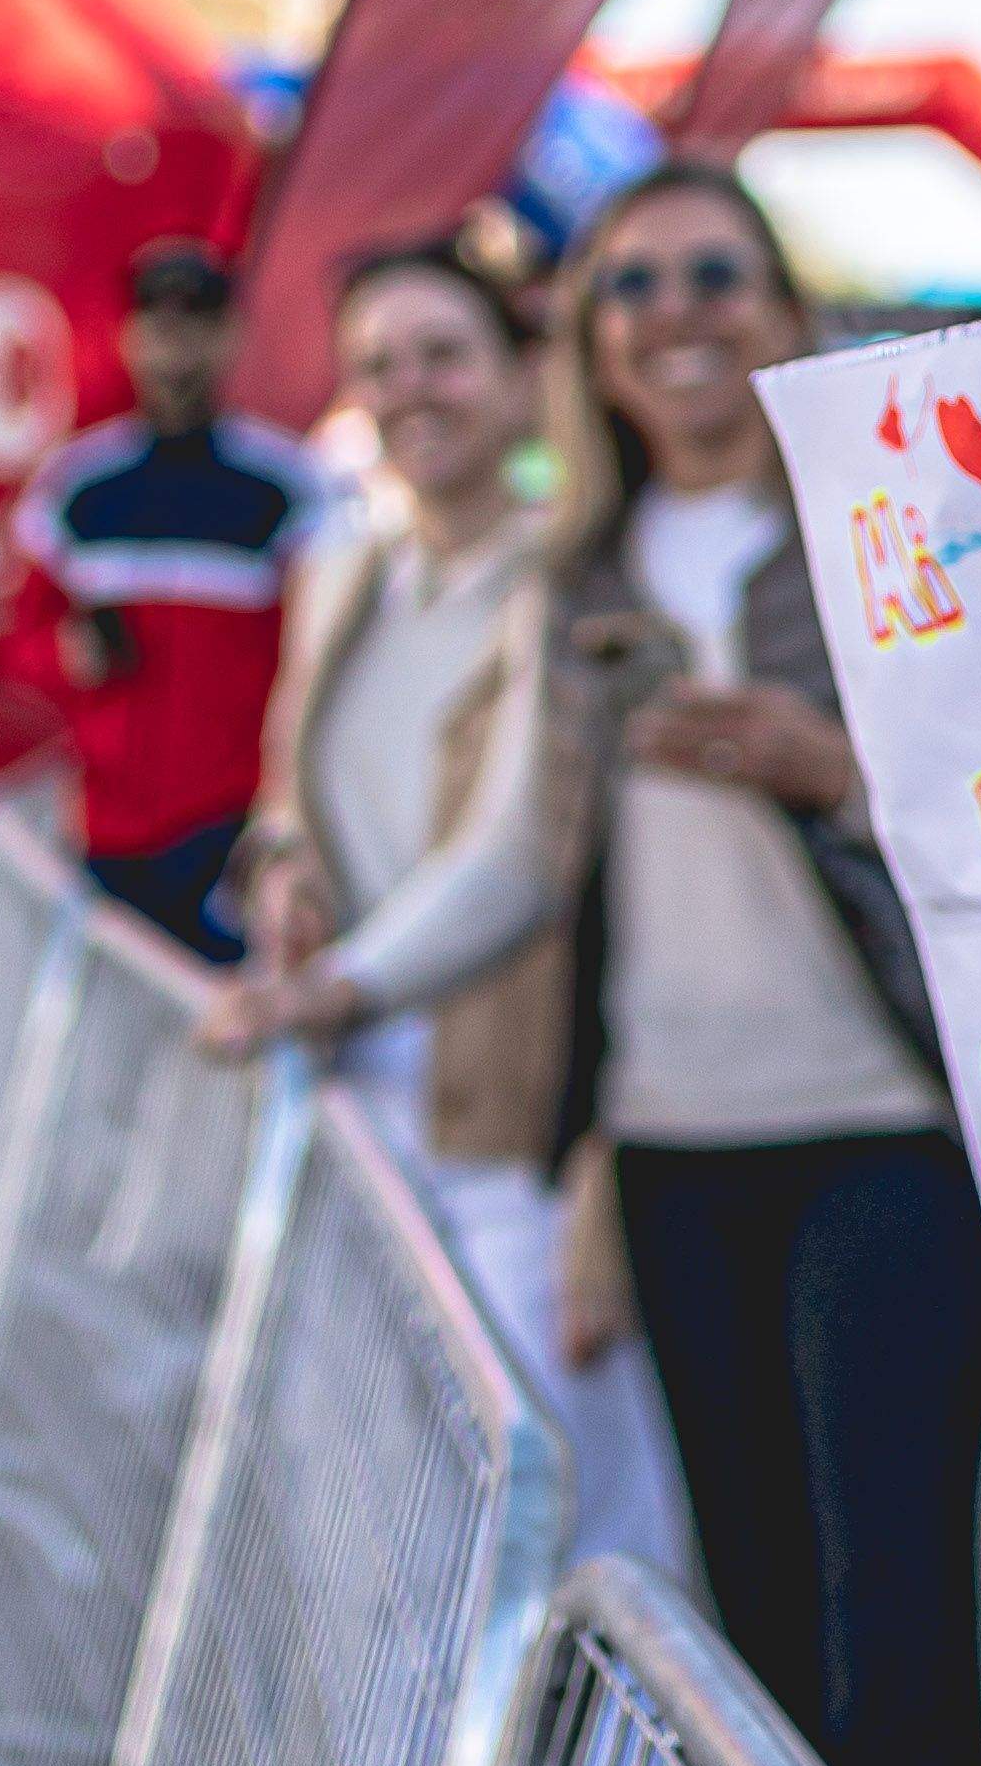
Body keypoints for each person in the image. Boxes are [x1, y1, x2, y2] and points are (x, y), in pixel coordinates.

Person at [196, 167, 981, 1766]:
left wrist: (837, 770)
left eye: (715, 268)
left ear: (783, 305)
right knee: (760, 1646)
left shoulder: (889, 527)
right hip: (664, 1152)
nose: (674, 308)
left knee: (898, 1632)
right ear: (592, 339)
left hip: (892, 1139)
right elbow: (506, 854)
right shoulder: (581, 582)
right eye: (628, 283)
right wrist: (332, 984)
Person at [195, 242, 689, 1577]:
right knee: (379, 1534)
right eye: (377, 364)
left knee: (564, 1533)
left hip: (506, 1117)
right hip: (350, 1099)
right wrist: (283, 866)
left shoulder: (569, 583)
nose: (410, 389)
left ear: (523, 374)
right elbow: (290, 793)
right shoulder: (341, 573)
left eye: (442, 354)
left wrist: (332, 982)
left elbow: (516, 853)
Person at [11, 233, 330, 963]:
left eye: (198, 328)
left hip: (235, 829)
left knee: (219, 1031)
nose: (175, 353)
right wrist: (67, 657)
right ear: (129, 338)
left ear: (231, 338)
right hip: (105, 826)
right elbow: (24, 639)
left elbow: (321, 658)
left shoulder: (287, 489)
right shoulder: (75, 489)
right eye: (158, 328)